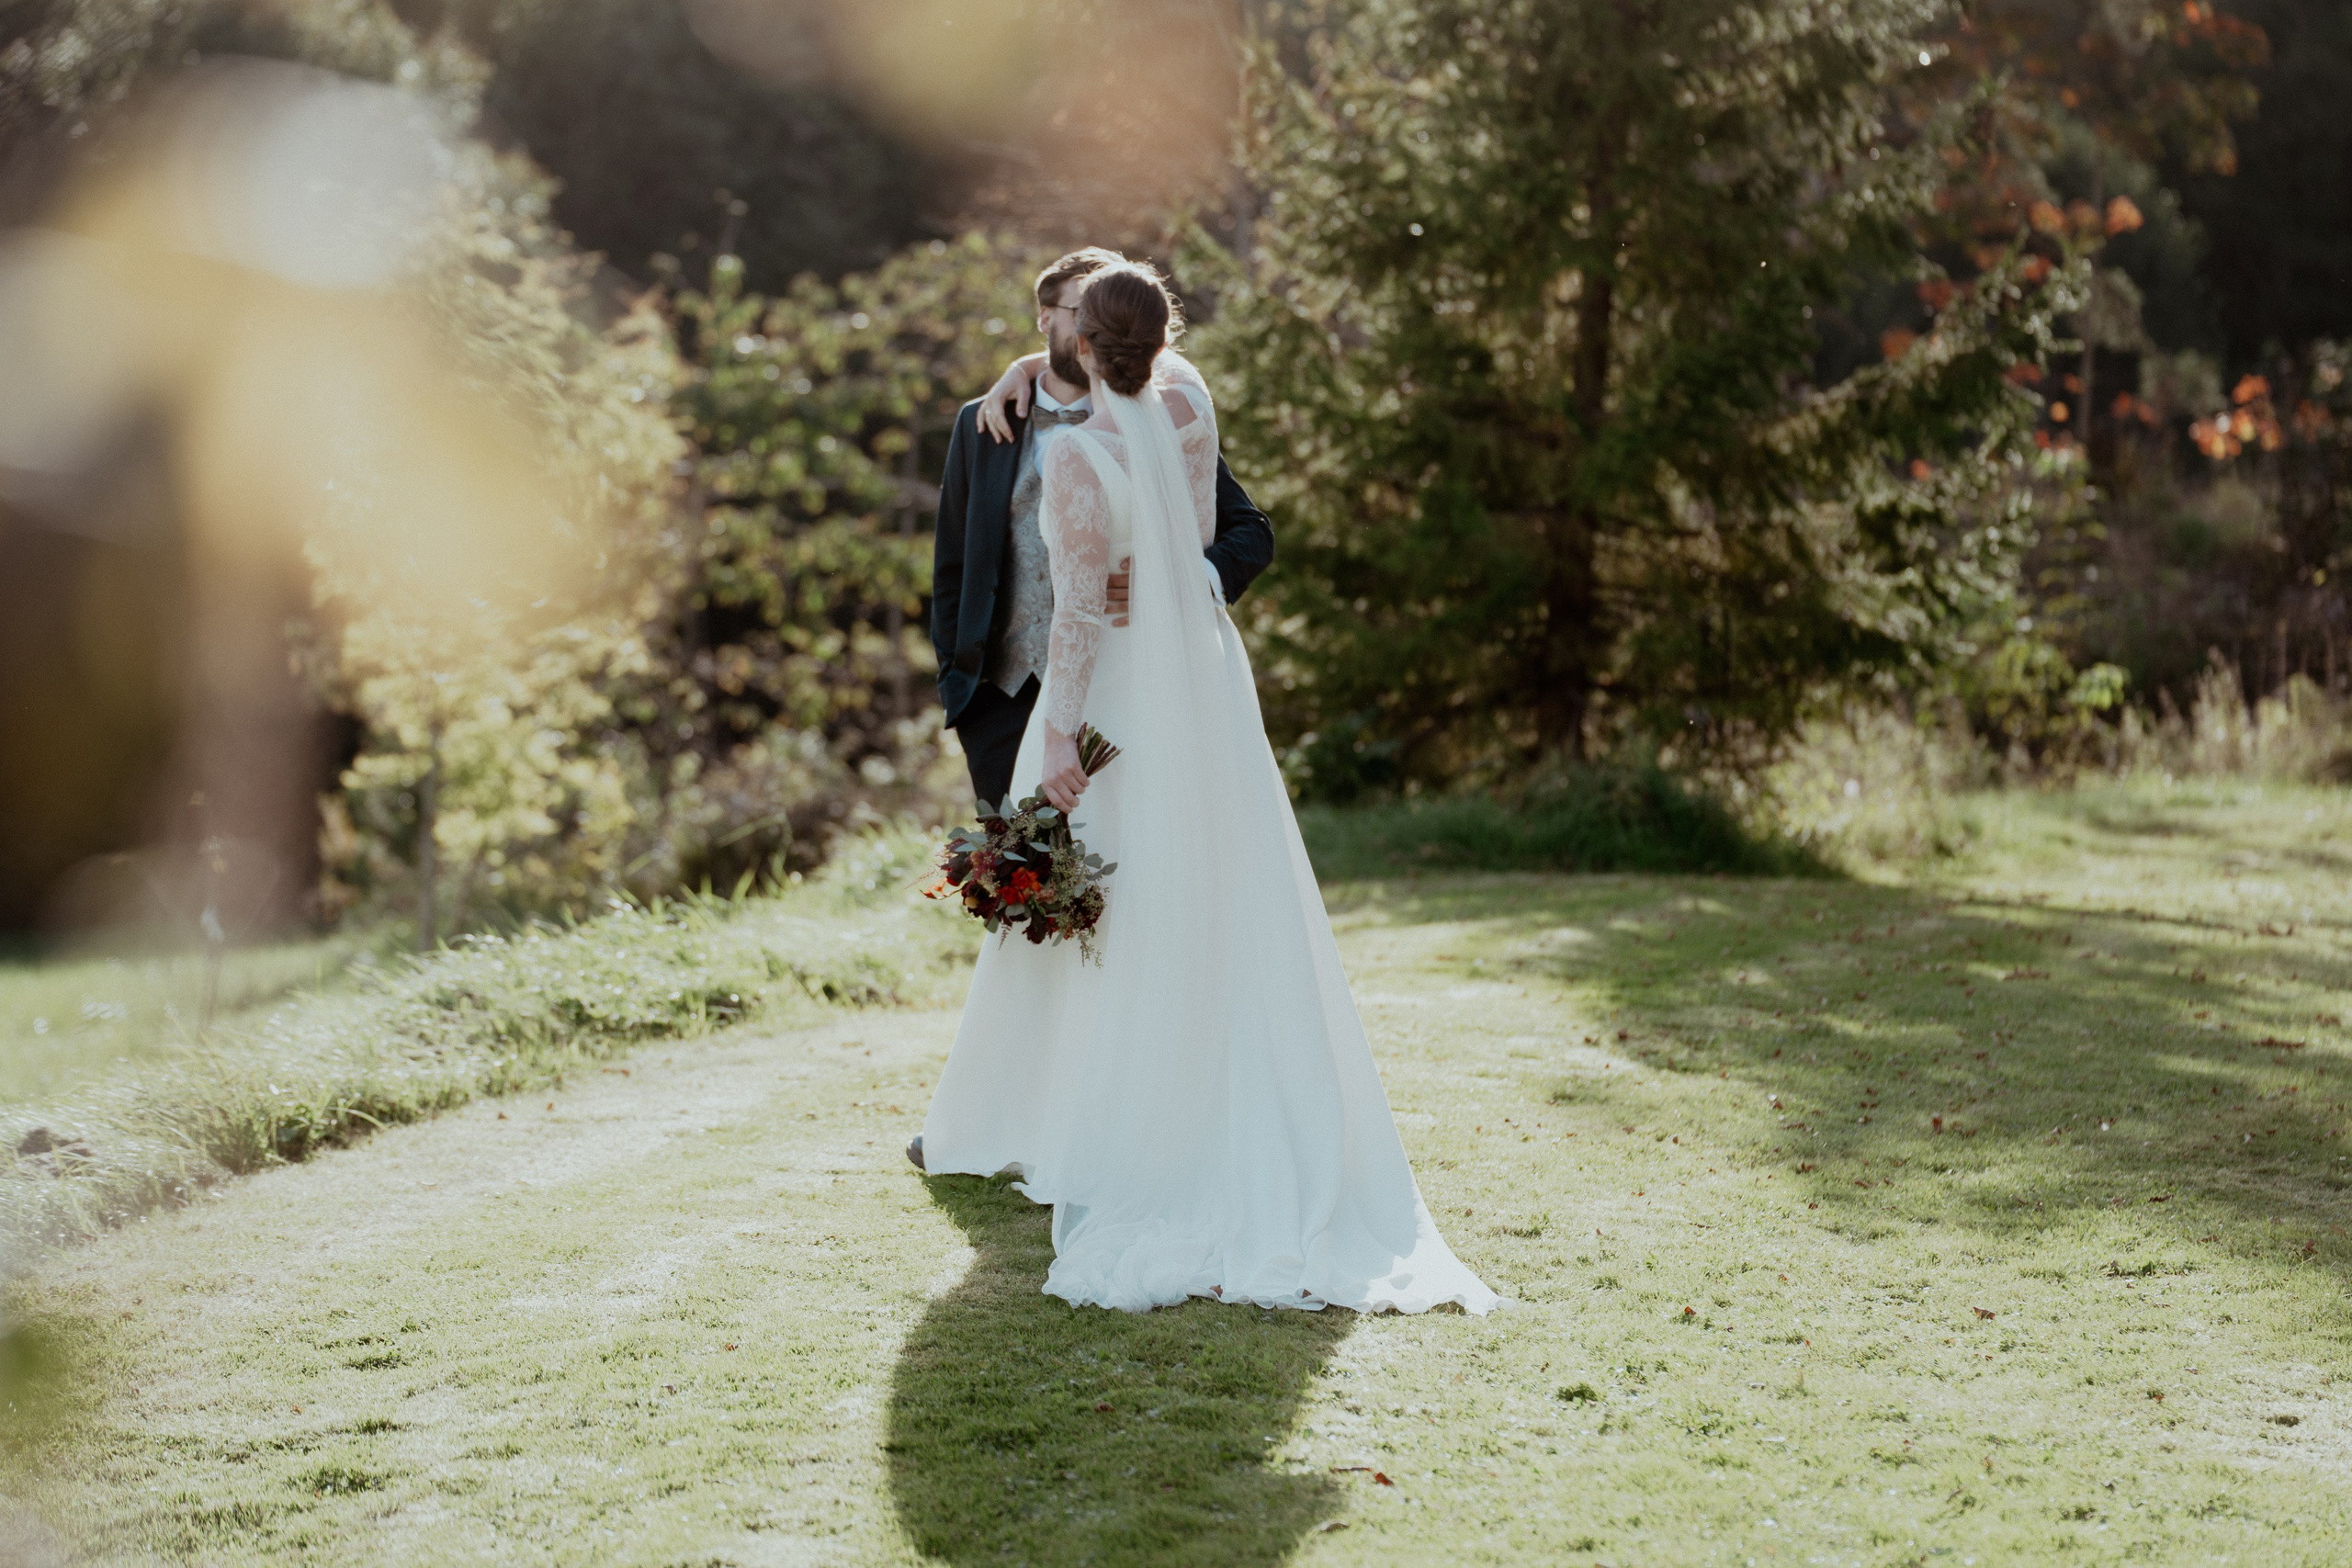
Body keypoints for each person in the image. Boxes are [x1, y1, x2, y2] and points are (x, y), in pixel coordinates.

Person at [912, 258, 1501, 1318]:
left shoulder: (1085, 458)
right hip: (1205, 695)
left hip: (1118, 701)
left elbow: (1082, 621)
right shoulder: (1187, 401)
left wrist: (1061, 744)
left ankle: (1114, 1127)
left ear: (1082, 342)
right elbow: (1168, 504)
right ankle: (1198, 1108)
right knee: (1212, 893)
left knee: (1115, 902)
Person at [929, 248, 1274, 810]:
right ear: (1047, 317)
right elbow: (952, 563)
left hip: (1126, 689)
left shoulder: (1157, 421)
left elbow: (1252, 532)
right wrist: (958, 683)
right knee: (1024, 889)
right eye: (1083, 307)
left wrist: (1177, 577)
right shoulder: (981, 422)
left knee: (1114, 873)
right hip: (1000, 698)